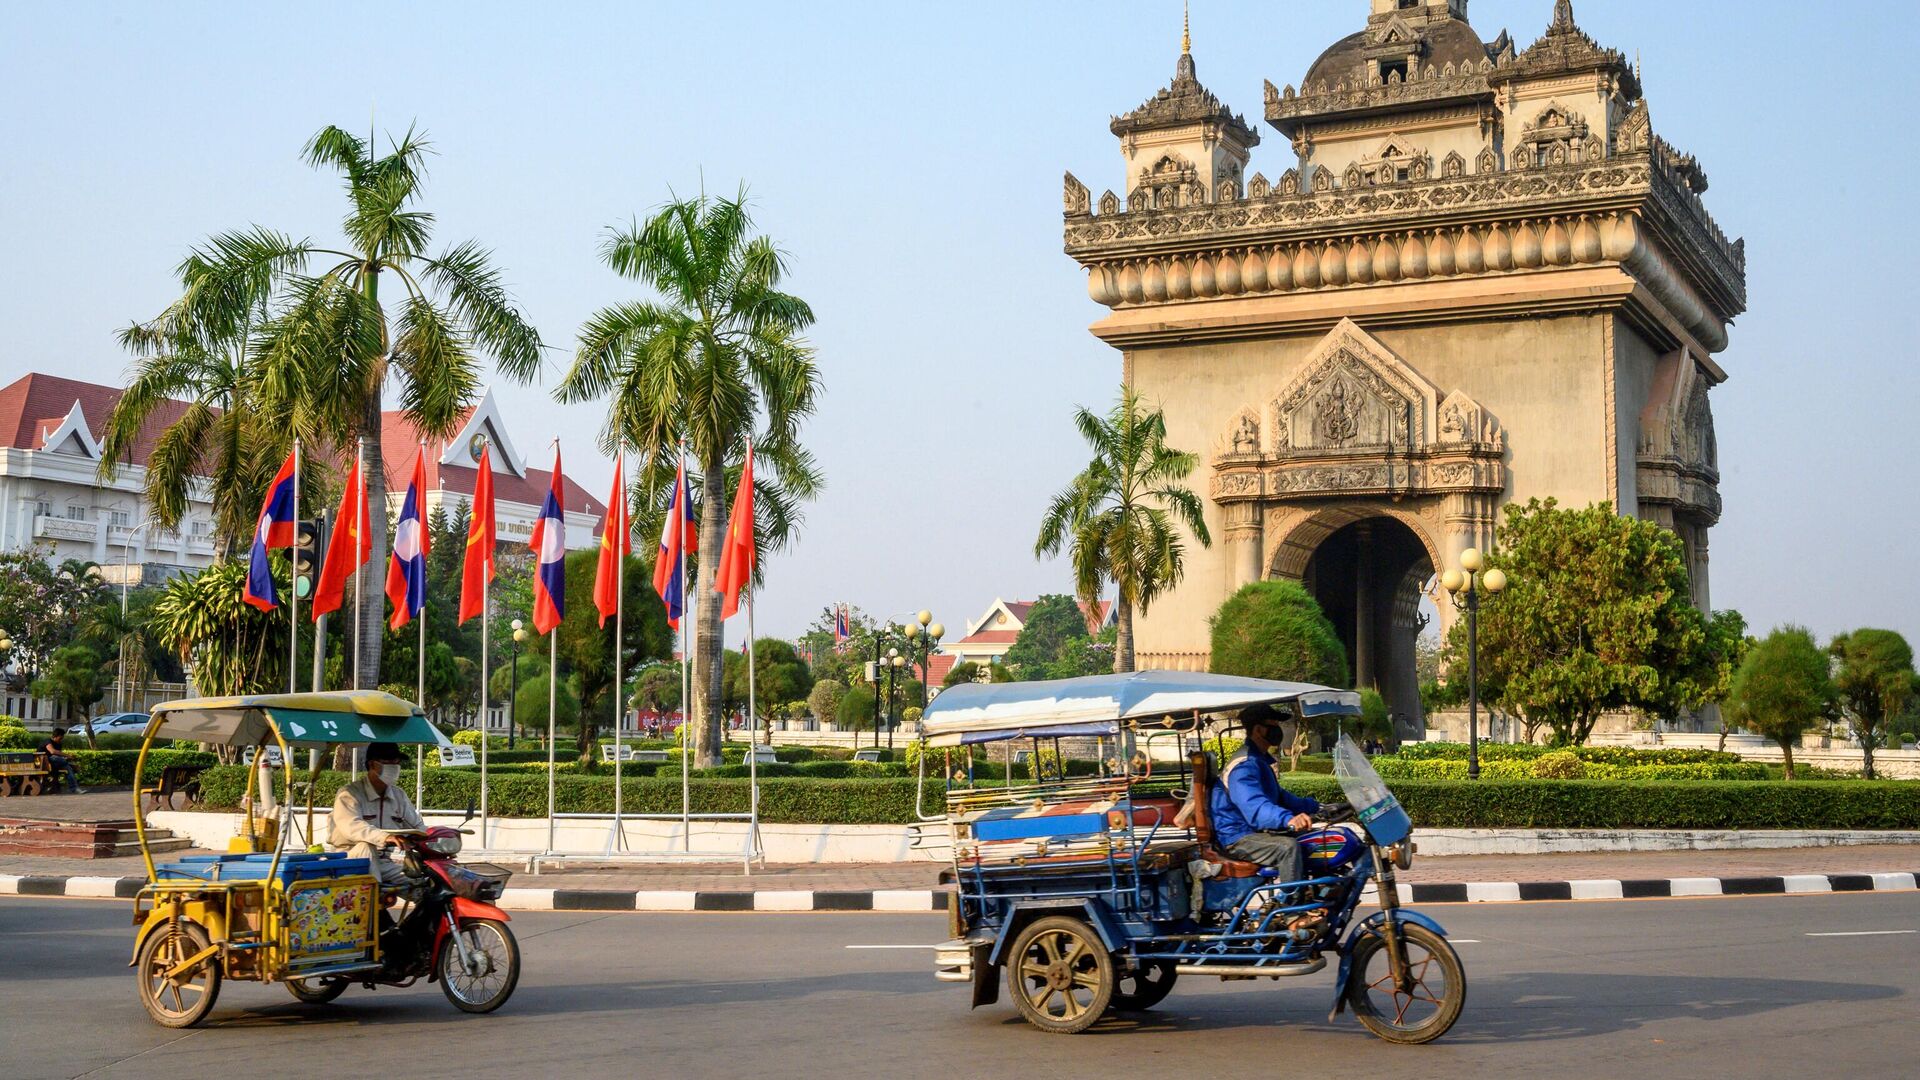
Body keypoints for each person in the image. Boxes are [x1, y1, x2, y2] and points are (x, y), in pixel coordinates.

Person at [1209, 705, 1320, 876]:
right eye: (1273, 724)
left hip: (1250, 832)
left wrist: (1317, 807)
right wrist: (1288, 819)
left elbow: (1281, 798)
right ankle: (1292, 900)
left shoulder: (1258, 760)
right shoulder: (1244, 765)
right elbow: (1254, 806)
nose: (1278, 729)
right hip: (1237, 837)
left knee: (1317, 839)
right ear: (1259, 730)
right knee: (1287, 848)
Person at [328, 741, 424, 886]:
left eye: (397, 762)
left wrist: (432, 838)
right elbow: (352, 827)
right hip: (349, 858)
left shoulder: (399, 796)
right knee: (366, 847)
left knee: (421, 884)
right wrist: (385, 837)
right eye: (388, 762)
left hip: (383, 862)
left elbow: (417, 825)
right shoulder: (349, 794)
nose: (394, 767)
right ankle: (373, 902)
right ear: (372, 765)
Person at [38, 730, 84, 794]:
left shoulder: (59, 744)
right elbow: (52, 751)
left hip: (55, 763)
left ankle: (75, 788)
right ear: (55, 736)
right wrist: (67, 756)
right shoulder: (47, 741)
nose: (61, 740)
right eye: (60, 738)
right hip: (44, 762)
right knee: (58, 759)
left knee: (68, 769)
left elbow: (59, 756)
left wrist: (66, 758)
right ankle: (70, 764)